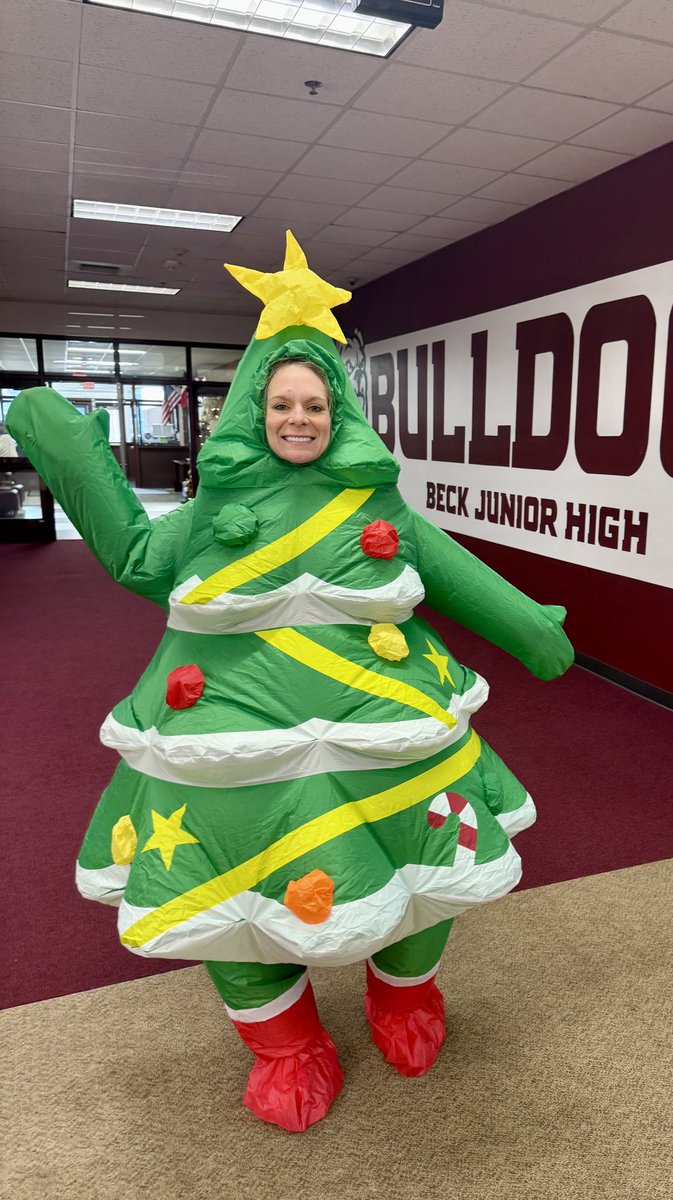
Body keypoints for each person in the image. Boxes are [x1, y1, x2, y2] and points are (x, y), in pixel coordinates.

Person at [7, 233, 573, 1133]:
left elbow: (456, 574)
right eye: (282, 403)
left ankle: (402, 995)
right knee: (234, 889)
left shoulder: (375, 503)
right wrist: (72, 455)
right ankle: (287, 1041)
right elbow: (133, 557)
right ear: (255, 410)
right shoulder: (209, 511)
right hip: (233, 737)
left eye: (314, 403)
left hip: (384, 727)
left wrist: (532, 630)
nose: (299, 418)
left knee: (425, 871)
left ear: (336, 409)